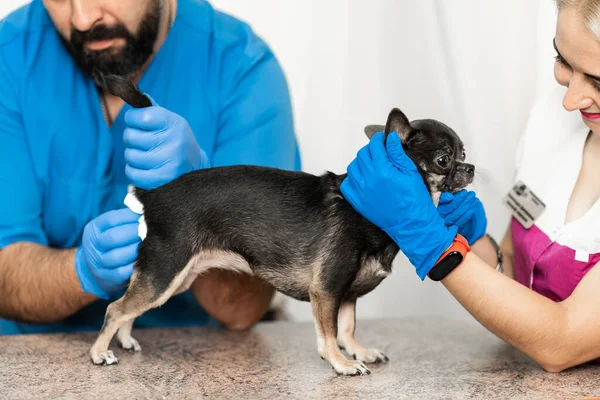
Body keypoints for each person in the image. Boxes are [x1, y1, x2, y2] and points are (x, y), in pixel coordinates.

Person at [0, 0, 300, 334]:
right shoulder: (11, 55)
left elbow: (240, 309)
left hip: (191, 362)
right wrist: (81, 272)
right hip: (35, 358)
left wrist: (202, 195)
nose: (83, 19)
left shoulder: (241, 69)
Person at [341, 0, 600, 373]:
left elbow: (563, 341)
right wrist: (472, 236)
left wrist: (432, 242)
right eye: (563, 61)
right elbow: (511, 272)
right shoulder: (550, 122)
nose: (570, 99)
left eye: (598, 79)